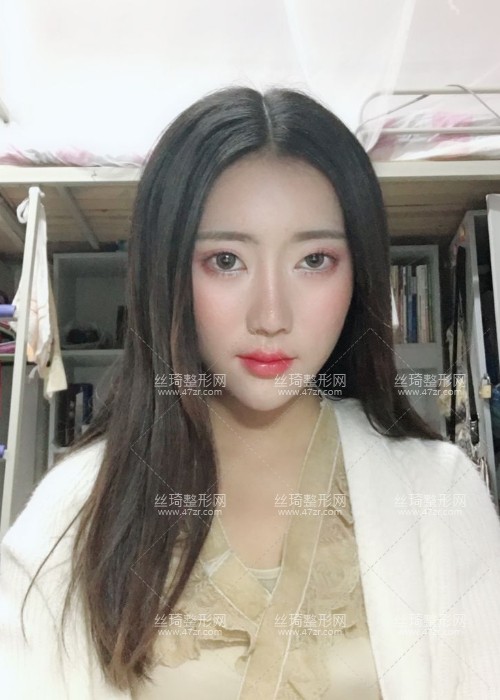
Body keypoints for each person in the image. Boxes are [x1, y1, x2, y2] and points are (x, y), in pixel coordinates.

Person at [1, 85, 500, 700]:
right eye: (227, 260)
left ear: (359, 272)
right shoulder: (75, 510)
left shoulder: (437, 493)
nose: (271, 316)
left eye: (314, 260)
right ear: (167, 272)